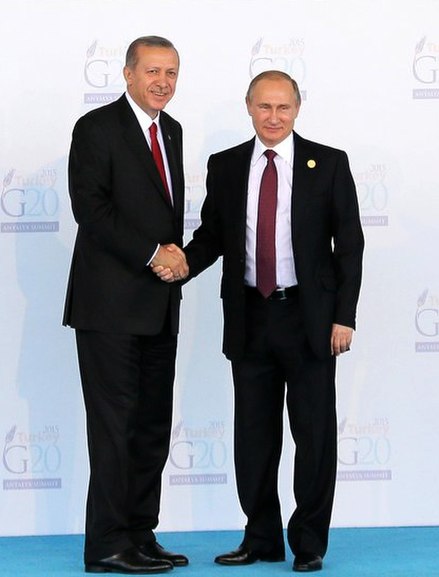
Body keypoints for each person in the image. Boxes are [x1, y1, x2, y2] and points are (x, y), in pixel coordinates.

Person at [154, 70, 364, 572]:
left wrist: (344, 317)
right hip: (250, 318)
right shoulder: (225, 166)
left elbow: (350, 246)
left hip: (310, 321)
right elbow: (212, 235)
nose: (273, 117)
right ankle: (261, 536)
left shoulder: (329, 164)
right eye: (264, 107)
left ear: (297, 109)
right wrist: (181, 262)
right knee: (253, 437)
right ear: (249, 106)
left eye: (283, 108)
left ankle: (308, 541)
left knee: (313, 436)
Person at [63, 36, 190, 574]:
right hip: (109, 308)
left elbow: (164, 216)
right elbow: (90, 208)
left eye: (172, 72)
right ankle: (108, 544)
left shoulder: (173, 131)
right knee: (114, 429)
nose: (162, 81)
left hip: (159, 307)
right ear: (128, 74)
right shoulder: (96, 128)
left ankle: (140, 532)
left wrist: (170, 262)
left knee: (151, 426)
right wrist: (151, 254)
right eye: (153, 71)